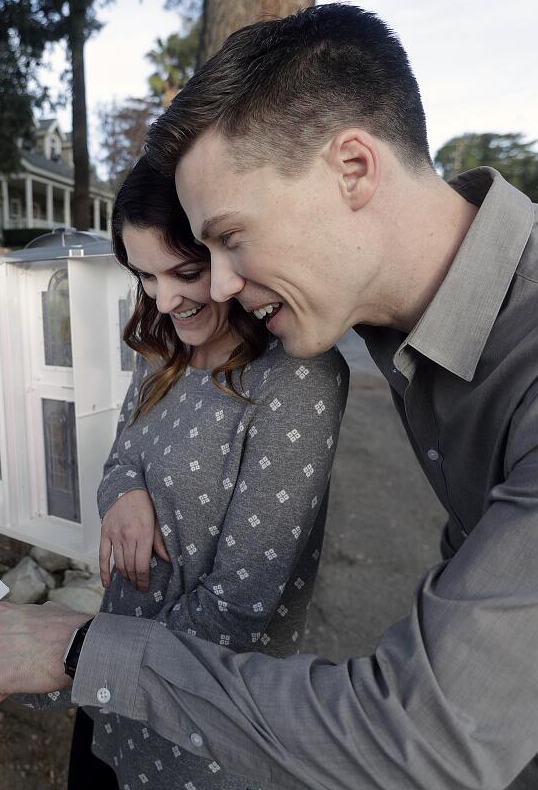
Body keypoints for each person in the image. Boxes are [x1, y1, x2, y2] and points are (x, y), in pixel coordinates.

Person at [0, 4, 538, 789]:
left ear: (354, 168)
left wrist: (83, 649)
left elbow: (419, 739)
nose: (217, 285)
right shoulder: (403, 326)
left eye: (230, 239)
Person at [22, 159, 347, 790]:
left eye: (186, 273)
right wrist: (126, 493)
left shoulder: (297, 376)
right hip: (108, 687)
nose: (164, 299)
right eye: (144, 275)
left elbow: (243, 606)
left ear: (233, 258)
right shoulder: (164, 349)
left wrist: (80, 655)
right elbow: (120, 458)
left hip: (199, 728)